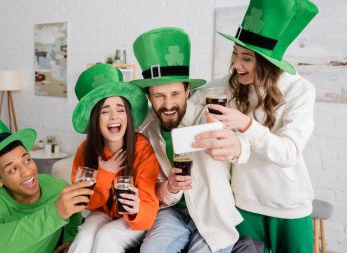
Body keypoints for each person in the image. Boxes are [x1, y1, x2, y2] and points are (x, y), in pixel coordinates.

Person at [191, 0, 319, 252]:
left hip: (288, 206)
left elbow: (289, 153)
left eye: (246, 58)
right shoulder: (230, 85)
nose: (236, 65)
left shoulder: (300, 89)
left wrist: (246, 125)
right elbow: (188, 97)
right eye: (235, 54)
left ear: (268, 62)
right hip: (243, 204)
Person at [131, 27, 251, 253]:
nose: (167, 104)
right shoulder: (145, 130)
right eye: (159, 96)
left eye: (175, 94)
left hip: (212, 214)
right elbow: (155, 190)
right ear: (149, 97)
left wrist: (237, 147)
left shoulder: (208, 115)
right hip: (171, 212)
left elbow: (242, 146)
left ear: (187, 91)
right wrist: (171, 186)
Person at [0, 108, 89, 253]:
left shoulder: (57, 187)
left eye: (27, 160)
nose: (27, 172)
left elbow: (74, 214)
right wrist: (55, 213)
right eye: (12, 169)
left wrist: (70, 239)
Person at [67, 64, 160, 253]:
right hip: (102, 213)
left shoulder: (142, 150)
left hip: (134, 219)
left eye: (120, 109)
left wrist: (136, 208)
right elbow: (85, 204)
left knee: (107, 236)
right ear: (95, 119)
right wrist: (105, 174)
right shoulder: (86, 150)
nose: (114, 116)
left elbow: (148, 212)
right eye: (104, 111)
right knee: (84, 236)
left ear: (128, 114)